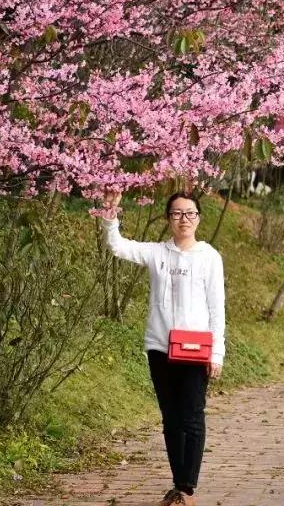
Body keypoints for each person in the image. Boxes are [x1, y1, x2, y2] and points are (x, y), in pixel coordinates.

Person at [101, 191, 226, 506]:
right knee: (170, 418)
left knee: (192, 416)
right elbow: (117, 246)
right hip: (160, 347)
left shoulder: (209, 256)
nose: (184, 219)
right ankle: (179, 486)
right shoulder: (157, 253)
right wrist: (111, 212)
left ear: (198, 218)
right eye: (177, 213)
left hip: (196, 349)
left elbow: (217, 309)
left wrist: (217, 353)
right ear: (168, 218)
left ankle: (186, 489)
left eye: (190, 213)